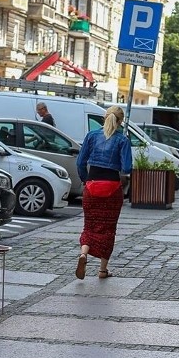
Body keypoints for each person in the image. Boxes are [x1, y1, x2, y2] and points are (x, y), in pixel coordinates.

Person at [75, 105, 132, 280]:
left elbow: (80, 162)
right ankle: (102, 270)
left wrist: (86, 179)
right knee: (108, 229)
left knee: (89, 225)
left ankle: (84, 253)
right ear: (121, 121)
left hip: (92, 186)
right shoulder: (122, 140)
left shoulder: (91, 136)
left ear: (104, 117)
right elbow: (127, 167)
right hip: (112, 188)